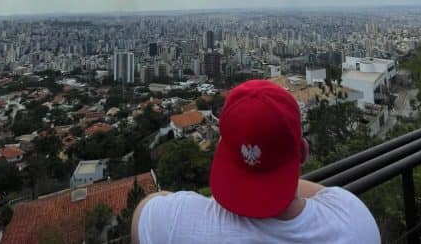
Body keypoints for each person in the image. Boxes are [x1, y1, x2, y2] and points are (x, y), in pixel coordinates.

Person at [132, 79, 380, 243]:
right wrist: (277, 175)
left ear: (221, 150)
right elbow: (321, 194)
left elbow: (147, 205)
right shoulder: (354, 223)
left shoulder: (170, 224)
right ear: (302, 153)